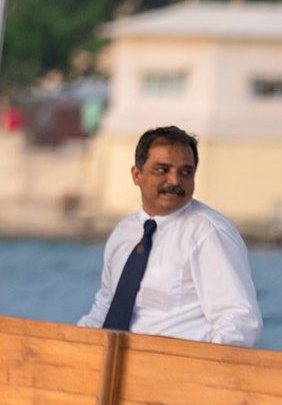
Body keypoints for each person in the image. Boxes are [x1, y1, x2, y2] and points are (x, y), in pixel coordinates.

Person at [78, 126, 262, 347]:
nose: (175, 180)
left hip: (179, 372)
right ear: (137, 175)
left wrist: (193, 372)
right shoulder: (124, 233)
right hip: (114, 365)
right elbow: (105, 309)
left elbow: (239, 324)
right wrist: (69, 345)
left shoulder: (208, 233)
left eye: (186, 172)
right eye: (162, 170)